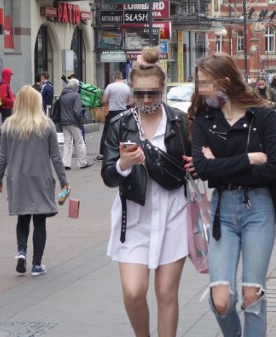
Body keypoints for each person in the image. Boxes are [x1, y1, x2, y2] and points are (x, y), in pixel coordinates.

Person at [189, 53, 276, 336]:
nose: (201, 90)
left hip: (259, 208)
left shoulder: (263, 115)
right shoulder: (204, 122)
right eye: (199, 84)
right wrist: (250, 159)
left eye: (206, 83)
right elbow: (203, 170)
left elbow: (275, 166)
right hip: (222, 213)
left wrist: (220, 166)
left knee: (252, 296)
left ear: (225, 82)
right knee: (221, 301)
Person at [101, 47, 191, 337]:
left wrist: (202, 163)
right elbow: (108, 176)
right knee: (133, 291)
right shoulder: (120, 124)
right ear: (131, 91)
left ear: (163, 88)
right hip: (134, 213)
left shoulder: (180, 122)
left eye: (152, 93)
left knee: (166, 293)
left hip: (173, 210)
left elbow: (195, 164)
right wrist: (124, 164)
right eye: (139, 94)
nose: (146, 100)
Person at [0, 86, 69, 276]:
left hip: (17, 179)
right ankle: (37, 265)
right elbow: (56, 157)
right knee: (40, 222)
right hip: (40, 178)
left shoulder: (8, 126)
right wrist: (63, 181)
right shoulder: (46, 125)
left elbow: (2, 157)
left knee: (22, 218)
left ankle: (21, 252)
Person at [96, 70, 130, 161]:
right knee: (124, 133)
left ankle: (102, 154)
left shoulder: (110, 87)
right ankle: (125, 152)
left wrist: (110, 100)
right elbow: (129, 101)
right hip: (123, 112)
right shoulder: (127, 87)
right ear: (121, 77)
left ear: (113, 77)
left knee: (106, 133)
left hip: (112, 113)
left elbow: (104, 100)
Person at [60, 79, 93, 170]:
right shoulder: (76, 95)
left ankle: (66, 163)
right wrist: (80, 121)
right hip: (74, 122)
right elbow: (77, 111)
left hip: (64, 121)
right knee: (79, 142)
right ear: (76, 87)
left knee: (67, 142)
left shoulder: (63, 95)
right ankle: (82, 162)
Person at [0, 68, 15, 151]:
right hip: (6, 108)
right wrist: (12, 102)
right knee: (5, 126)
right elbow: (3, 98)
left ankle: (1, 144)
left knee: (5, 125)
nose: (11, 77)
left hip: (6, 107)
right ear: (7, 75)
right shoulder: (4, 85)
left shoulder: (5, 84)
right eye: (11, 75)